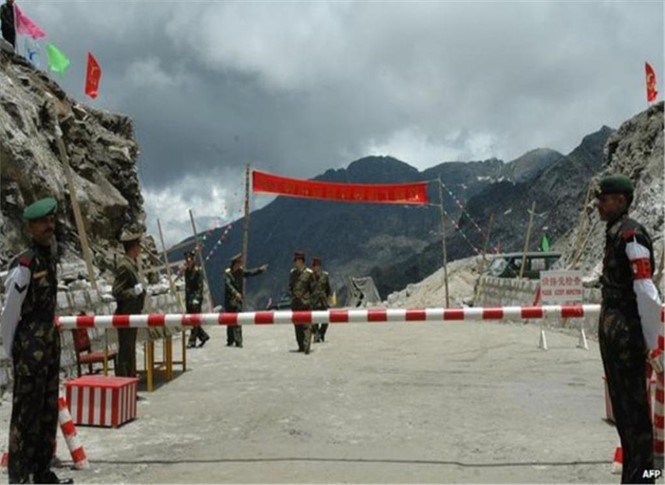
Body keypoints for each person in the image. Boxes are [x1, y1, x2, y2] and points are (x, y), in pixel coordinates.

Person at [0, 197, 73, 484]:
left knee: (47, 411)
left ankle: (42, 473)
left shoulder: (49, 258)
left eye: (52, 220)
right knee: (26, 415)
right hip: (30, 347)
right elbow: (9, 312)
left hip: (48, 344)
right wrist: (12, 349)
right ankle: (20, 476)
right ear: (30, 226)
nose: (49, 226)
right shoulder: (25, 264)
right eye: (43, 222)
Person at [596, 174, 663, 484]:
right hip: (615, 330)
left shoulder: (632, 236)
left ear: (621, 201)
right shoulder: (615, 234)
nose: (599, 205)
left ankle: (645, 479)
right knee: (624, 414)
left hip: (627, 332)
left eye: (604, 199)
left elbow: (646, 292)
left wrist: (652, 343)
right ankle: (634, 477)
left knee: (636, 416)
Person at [112, 231, 146, 377]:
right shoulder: (124, 266)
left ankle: (130, 380)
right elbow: (117, 291)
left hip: (132, 313)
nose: (140, 249)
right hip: (126, 314)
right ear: (133, 247)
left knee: (130, 349)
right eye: (138, 246)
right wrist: (134, 292)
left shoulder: (132, 264)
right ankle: (124, 380)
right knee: (126, 350)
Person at [224, 253, 268, 347]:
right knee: (229, 320)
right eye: (239, 263)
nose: (240, 265)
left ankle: (238, 341)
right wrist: (235, 293)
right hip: (230, 300)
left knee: (238, 320)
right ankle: (230, 340)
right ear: (235, 264)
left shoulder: (240, 272)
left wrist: (260, 270)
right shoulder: (228, 273)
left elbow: (250, 273)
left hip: (238, 300)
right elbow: (228, 285)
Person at [289, 252, 314, 354]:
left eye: (299, 260)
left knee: (307, 325)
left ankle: (307, 345)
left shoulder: (309, 273)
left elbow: (312, 288)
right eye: (296, 261)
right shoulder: (293, 273)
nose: (297, 263)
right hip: (296, 303)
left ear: (302, 261)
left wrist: (310, 300)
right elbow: (291, 287)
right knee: (298, 326)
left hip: (305, 303)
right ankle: (301, 346)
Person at [184, 250, 210, 348]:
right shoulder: (187, 271)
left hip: (196, 299)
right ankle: (203, 336)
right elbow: (187, 286)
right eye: (187, 260)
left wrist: (197, 299)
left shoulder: (197, 271)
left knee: (194, 320)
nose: (188, 262)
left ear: (193, 260)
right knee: (192, 320)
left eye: (189, 260)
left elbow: (200, 287)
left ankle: (192, 341)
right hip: (189, 298)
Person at [310, 257, 332, 343]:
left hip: (323, 301)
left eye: (317, 266)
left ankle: (321, 333)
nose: (316, 267)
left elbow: (328, 288)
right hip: (313, 301)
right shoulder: (310, 277)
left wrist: (328, 298)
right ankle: (316, 334)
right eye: (314, 266)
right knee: (313, 320)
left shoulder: (325, 276)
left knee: (325, 320)